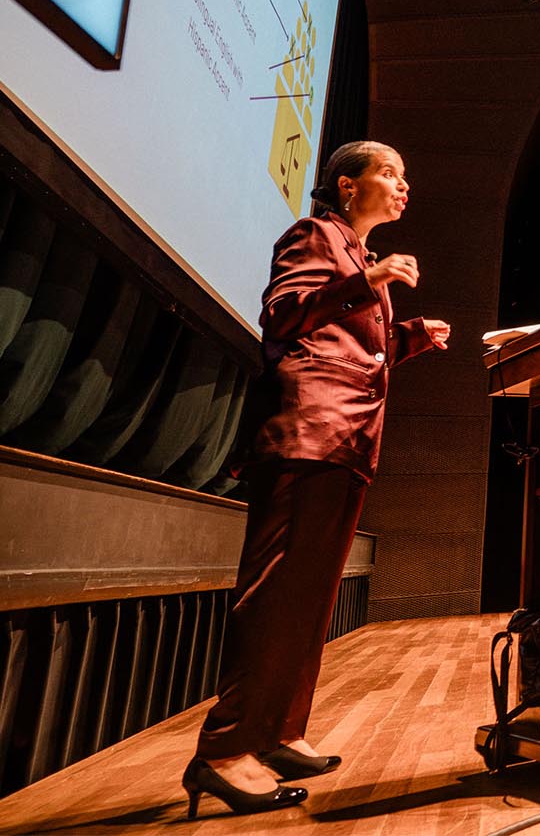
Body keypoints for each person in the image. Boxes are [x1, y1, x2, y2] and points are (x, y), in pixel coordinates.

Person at [186, 141, 447, 818]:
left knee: (309, 600)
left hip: (349, 437)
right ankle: (222, 751)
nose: (402, 183)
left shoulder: (361, 260)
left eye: (404, 172)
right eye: (389, 171)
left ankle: (275, 733)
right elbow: (283, 315)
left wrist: (411, 334)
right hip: (309, 430)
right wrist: (373, 281)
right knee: (275, 596)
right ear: (345, 184)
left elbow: (352, 341)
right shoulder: (313, 235)